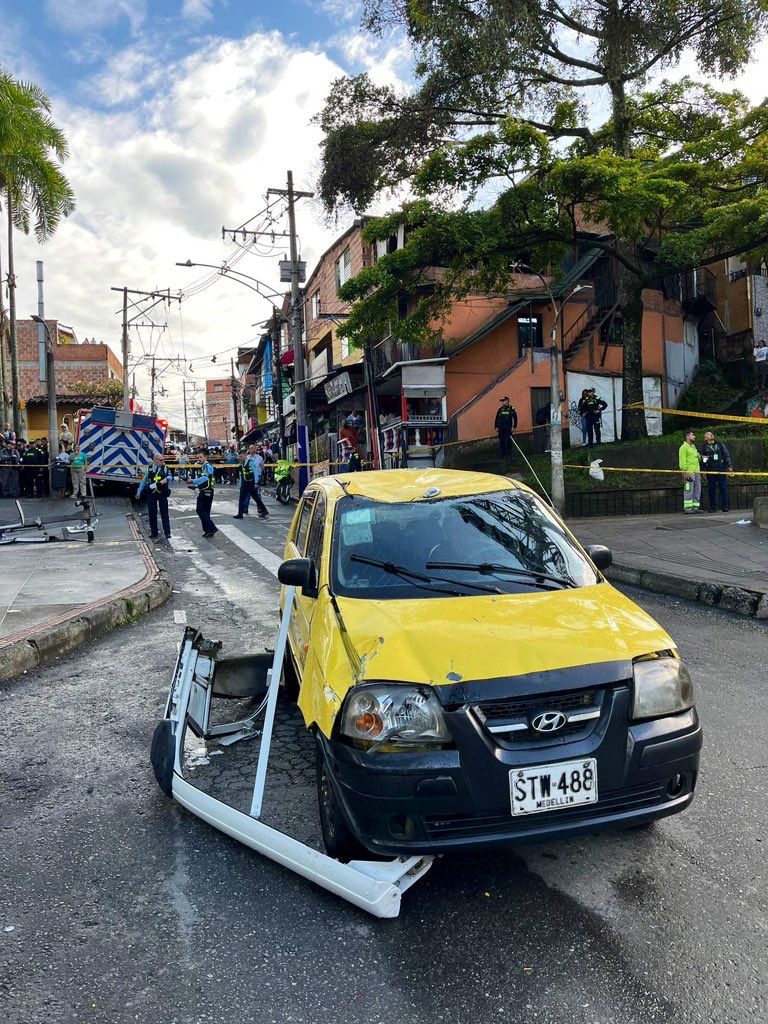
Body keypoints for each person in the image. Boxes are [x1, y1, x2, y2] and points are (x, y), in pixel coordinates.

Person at [136, 453, 173, 539]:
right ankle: (154, 532)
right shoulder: (149, 469)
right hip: (152, 494)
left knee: (164, 513)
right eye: (161, 460)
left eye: (163, 460)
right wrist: (138, 492)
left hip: (162, 493)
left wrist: (167, 479)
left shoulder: (165, 468)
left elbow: (171, 477)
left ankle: (167, 532)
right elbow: (143, 481)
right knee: (152, 513)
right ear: (155, 460)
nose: (163, 462)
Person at [700, 430, 733, 513]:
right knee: (711, 489)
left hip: (721, 470)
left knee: (723, 488)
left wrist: (730, 466)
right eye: (705, 437)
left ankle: (725, 507)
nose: (706, 438)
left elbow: (726, 455)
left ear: (712, 436)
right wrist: (703, 470)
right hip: (710, 471)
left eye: (708, 436)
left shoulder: (720, 445)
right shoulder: (705, 447)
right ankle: (713, 508)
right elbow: (704, 460)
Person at [188, 450, 217, 538]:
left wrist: (192, 481)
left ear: (205, 457)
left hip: (207, 492)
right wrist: (196, 486)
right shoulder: (203, 466)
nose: (199, 459)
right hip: (205, 490)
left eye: (201, 457)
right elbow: (205, 481)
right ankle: (208, 530)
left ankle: (212, 528)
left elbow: (205, 478)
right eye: (198, 457)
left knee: (200, 510)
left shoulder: (207, 466)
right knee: (205, 512)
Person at [678, 429, 701, 514]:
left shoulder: (693, 447)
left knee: (697, 490)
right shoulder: (683, 447)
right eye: (692, 435)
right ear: (687, 437)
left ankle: (695, 507)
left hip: (696, 472)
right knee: (688, 490)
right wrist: (685, 471)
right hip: (689, 472)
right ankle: (687, 508)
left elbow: (697, 456)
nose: (694, 436)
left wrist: (700, 457)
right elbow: (682, 460)